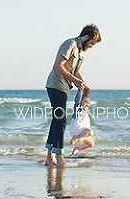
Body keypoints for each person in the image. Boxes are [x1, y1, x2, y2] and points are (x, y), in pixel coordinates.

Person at [45, 24, 101, 167]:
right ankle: (59, 158)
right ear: (86, 37)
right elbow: (58, 66)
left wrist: (81, 82)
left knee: (56, 120)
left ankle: (49, 157)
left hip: (65, 87)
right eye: (92, 43)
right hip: (56, 85)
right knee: (60, 120)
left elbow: (75, 71)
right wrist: (74, 80)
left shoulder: (81, 52)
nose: (92, 46)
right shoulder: (70, 44)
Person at [69, 89, 94, 155]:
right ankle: (76, 137)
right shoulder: (78, 108)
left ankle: (77, 149)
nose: (87, 104)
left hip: (81, 132)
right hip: (78, 129)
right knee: (90, 132)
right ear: (80, 102)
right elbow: (78, 98)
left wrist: (86, 93)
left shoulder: (85, 110)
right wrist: (80, 89)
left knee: (91, 143)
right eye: (85, 102)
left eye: (88, 103)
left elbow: (85, 97)